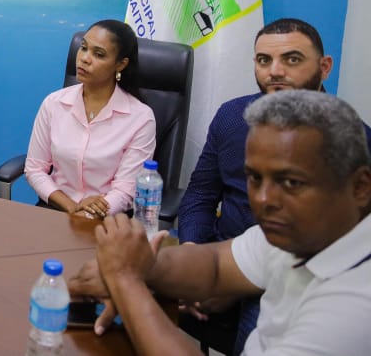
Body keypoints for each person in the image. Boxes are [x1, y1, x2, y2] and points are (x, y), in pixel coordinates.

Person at [68, 90, 371, 356]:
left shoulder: (357, 304)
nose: (263, 199)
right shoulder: (302, 231)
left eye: (291, 182)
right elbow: (214, 265)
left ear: (360, 187)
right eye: (255, 178)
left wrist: (126, 281)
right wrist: (142, 267)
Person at [177, 18, 371, 353]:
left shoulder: (353, 140)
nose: (275, 72)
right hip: (223, 254)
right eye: (264, 60)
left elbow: (337, 249)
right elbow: (201, 193)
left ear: (324, 67)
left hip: (289, 274)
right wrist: (192, 249)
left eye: (292, 59)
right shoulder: (231, 116)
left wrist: (235, 284)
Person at [24, 19, 156, 218]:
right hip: (57, 209)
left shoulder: (140, 118)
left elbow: (126, 190)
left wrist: (88, 214)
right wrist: (72, 207)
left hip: (108, 218)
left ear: (120, 64)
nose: (85, 58)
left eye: (99, 54)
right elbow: (35, 169)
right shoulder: (54, 104)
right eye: (83, 48)